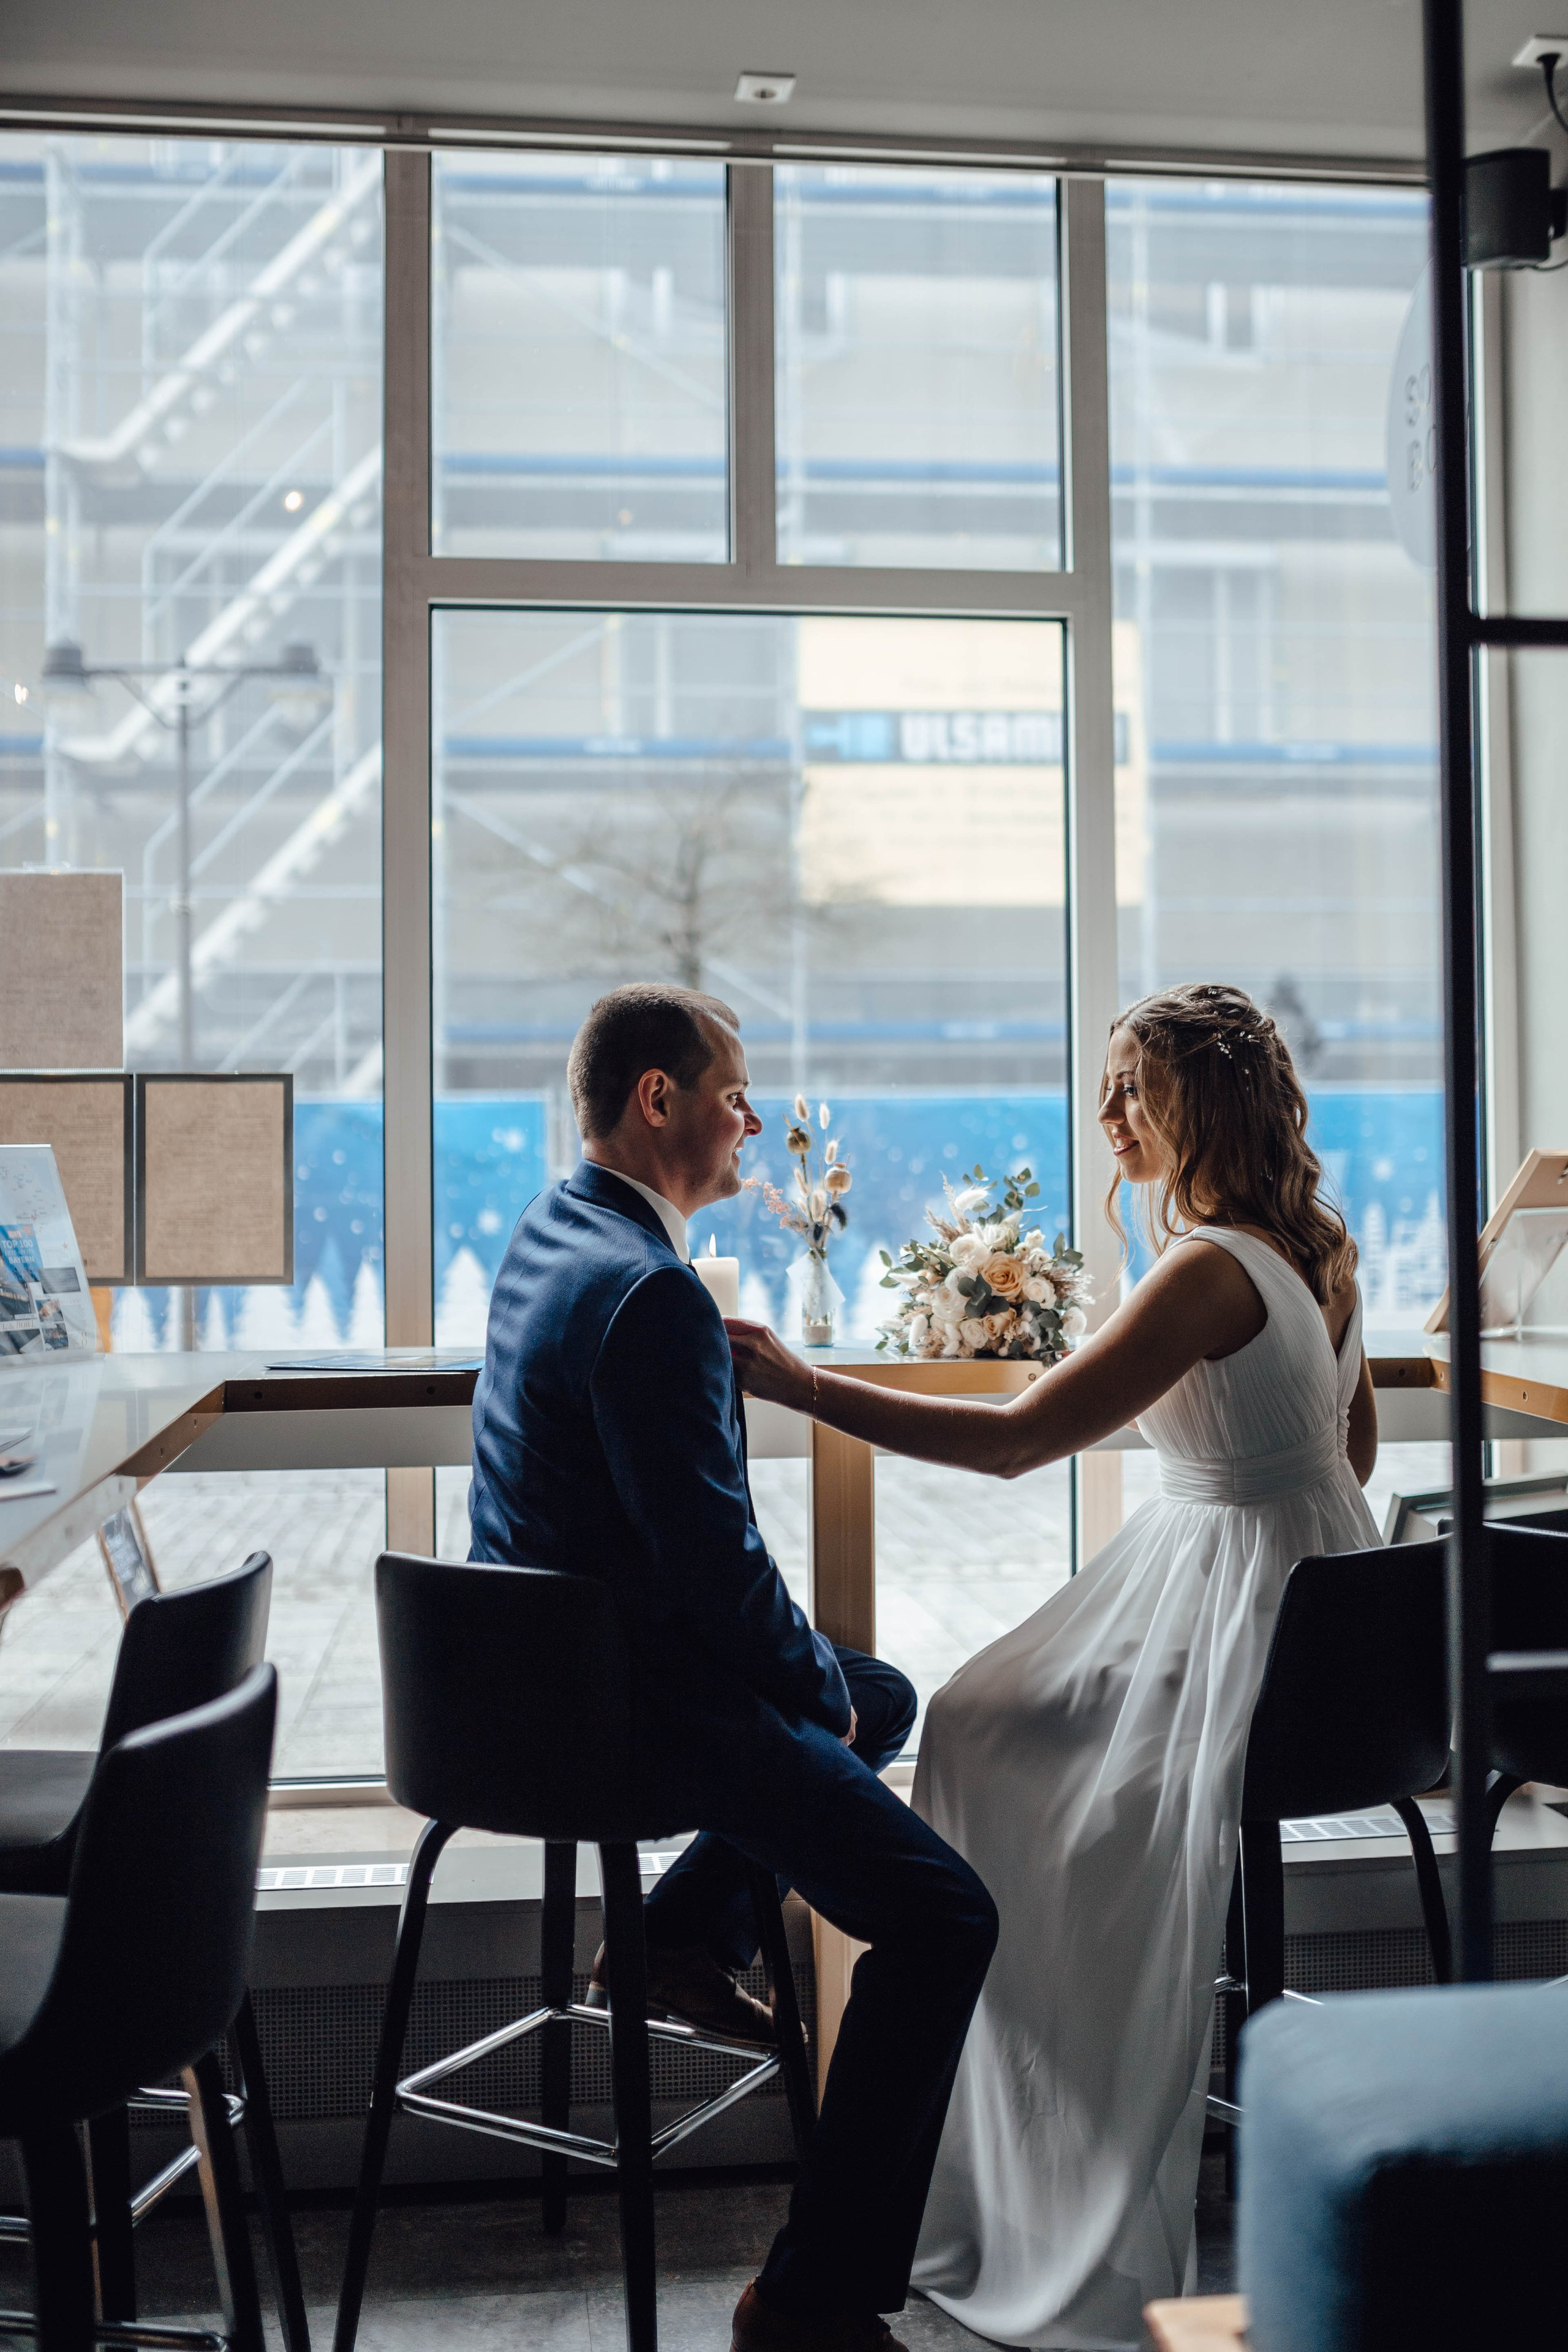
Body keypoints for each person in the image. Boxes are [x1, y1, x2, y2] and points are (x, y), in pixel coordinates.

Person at [726, 982, 1380, 2352]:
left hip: (1240, 1600)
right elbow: (1353, 1451)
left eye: (1132, 1088)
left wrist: (802, 1385)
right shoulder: (1319, 1244)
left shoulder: (1202, 1268)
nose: (1106, 1115)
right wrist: (1261, 1516)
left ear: (1199, 1101)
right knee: (990, 1722)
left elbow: (1019, 1442)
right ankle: (1035, 2105)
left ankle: (1054, 2124)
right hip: (1328, 1615)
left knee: (974, 1727)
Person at [469, 982, 998, 2352]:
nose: (753, 1123)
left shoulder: (551, 1229)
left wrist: (821, 1688)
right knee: (947, 1919)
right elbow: (715, 1570)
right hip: (636, 1711)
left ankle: (682, 1929)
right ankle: (808, 2302)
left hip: (525, 1688)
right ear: (660, 1100)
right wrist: (804, 1689)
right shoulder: (651, 1292)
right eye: (735, 1095)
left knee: (880, 1694)